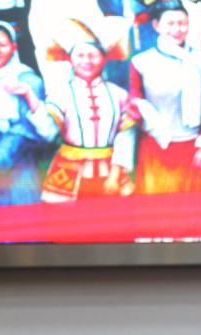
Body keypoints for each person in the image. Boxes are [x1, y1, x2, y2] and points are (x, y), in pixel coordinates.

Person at [22, 19, 141, 201]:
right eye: (80, 55)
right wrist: (31, 98)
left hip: (111, 171)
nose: (87, 61)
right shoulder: (60, 94)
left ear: (104, 59)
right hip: (68, 172)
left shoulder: (119, 95)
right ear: (70, 59)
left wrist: (116, 174)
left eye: (93, 55)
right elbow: (49, 133)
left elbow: (126, 136)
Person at [129, 0, 201, 194]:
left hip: (193, 148)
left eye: (182, 23)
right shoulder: (141, 63)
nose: (177, 29)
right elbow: (134, 103)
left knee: (194, 208)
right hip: (155, 147)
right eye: (170, 24)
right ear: (156, 25)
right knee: (156, 207)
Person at [0, 19, 46, 205]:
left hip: (17, 169)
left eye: (2, 45)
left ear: (13, 47)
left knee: (19, 219)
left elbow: (25, 129)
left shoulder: (27, 80)